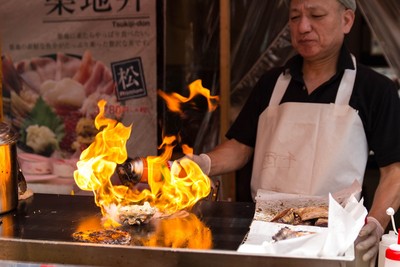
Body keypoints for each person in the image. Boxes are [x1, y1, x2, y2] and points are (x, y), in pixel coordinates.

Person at [189, 0, 400, 266]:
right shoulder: (271, 83)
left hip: (337, 240)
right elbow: (240, 147)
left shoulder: (375, 89)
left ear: (347, 20)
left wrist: (376, 223)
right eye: (294, 17)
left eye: (316, 15)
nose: (303, 26)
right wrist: (203, 163)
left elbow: (394, 171)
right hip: (265, 236)